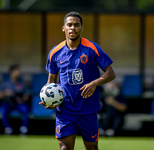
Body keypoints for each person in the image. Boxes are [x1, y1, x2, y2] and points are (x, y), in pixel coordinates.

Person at [39, 11, 115, 150]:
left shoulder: (92, 48)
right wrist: (49, 100)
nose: (73, 28)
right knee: (65, 148)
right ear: (64, 28)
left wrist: (94, 83)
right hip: (65, 109)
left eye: (76, 25)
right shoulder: (55, 52)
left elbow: (110, 73)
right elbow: (51, 81)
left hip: (88, 109)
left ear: (82, 28)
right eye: (69, 25)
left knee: (91, 148)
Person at [0, 64, 29, 135]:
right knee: (3, 111)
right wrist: (6, 93)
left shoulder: (21, 83)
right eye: (16, 70)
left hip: (18, 103)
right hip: (7, 103)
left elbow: (26, 95)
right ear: (11, 72)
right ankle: (7, 129)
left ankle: (23, 129)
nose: (18, 72)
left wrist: (21, 99)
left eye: (18, 71)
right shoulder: (5, 83)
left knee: (25, 110)